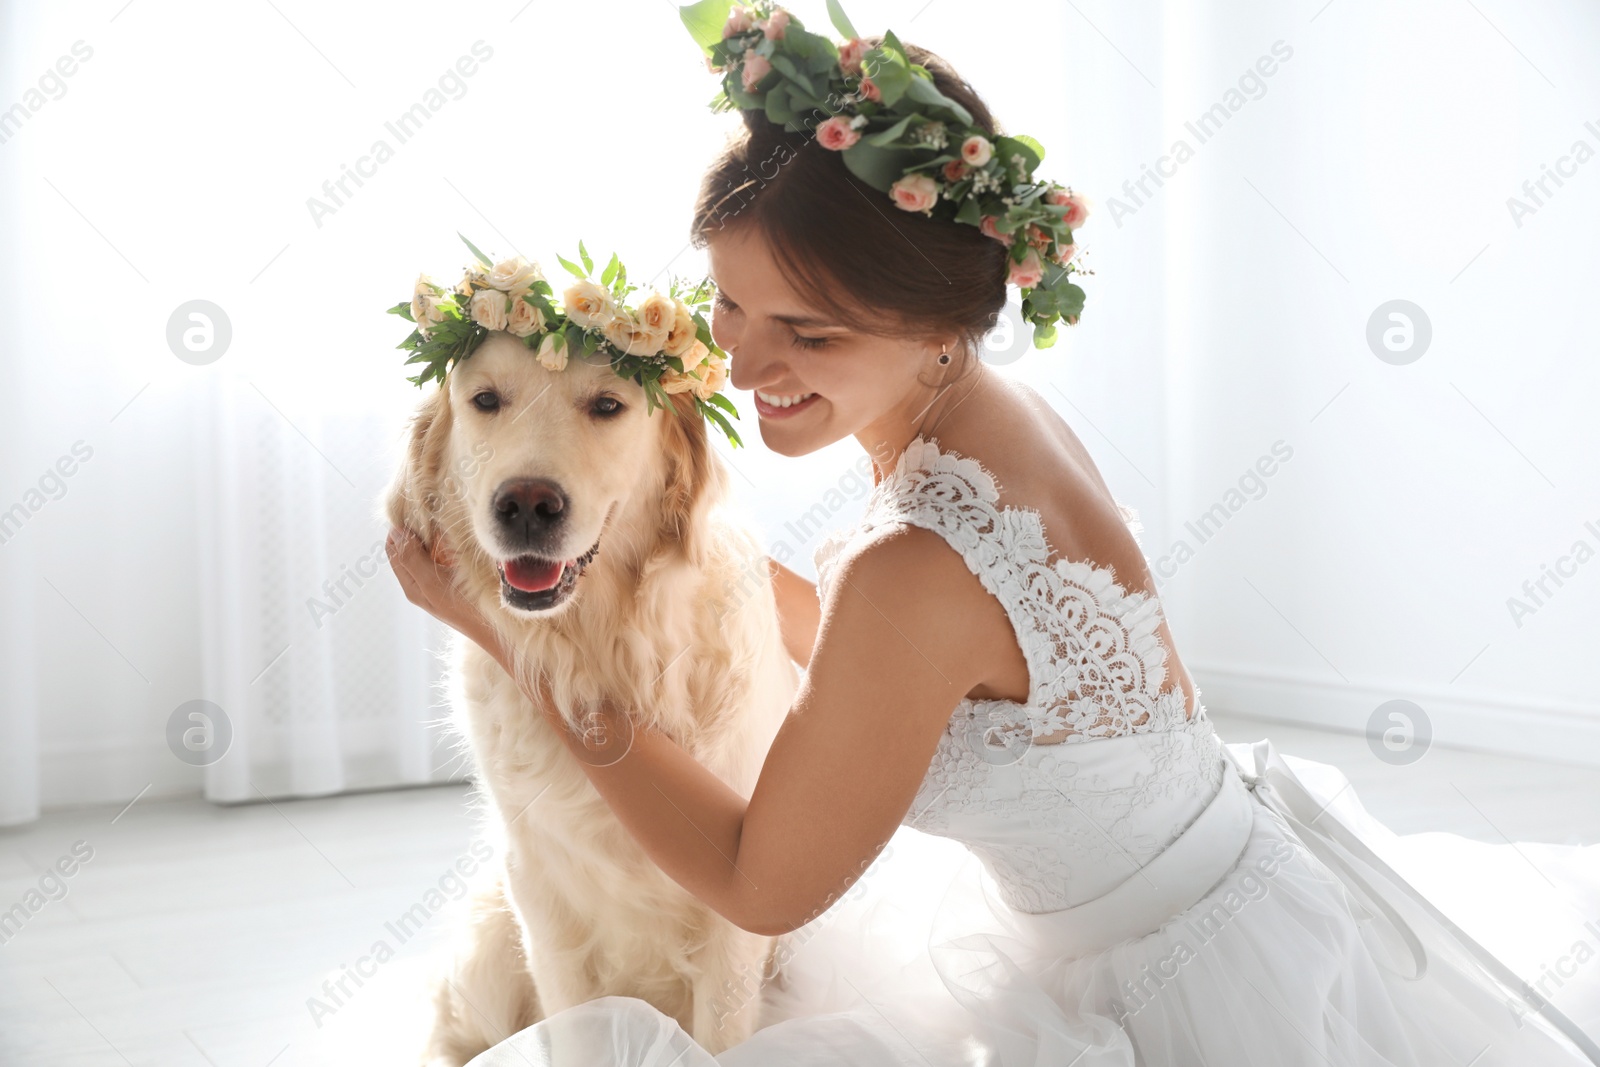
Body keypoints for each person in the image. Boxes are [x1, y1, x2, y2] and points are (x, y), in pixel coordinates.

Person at [385, 14, 1600, 1066]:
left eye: (806, 333)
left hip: (1169, 996)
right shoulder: (990, 422)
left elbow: (762, 882)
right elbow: (937, 662)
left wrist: (516, 640)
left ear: (929, 324)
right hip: (1240, 879)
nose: (743, 364)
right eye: (730, 304)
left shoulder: (917, 564)